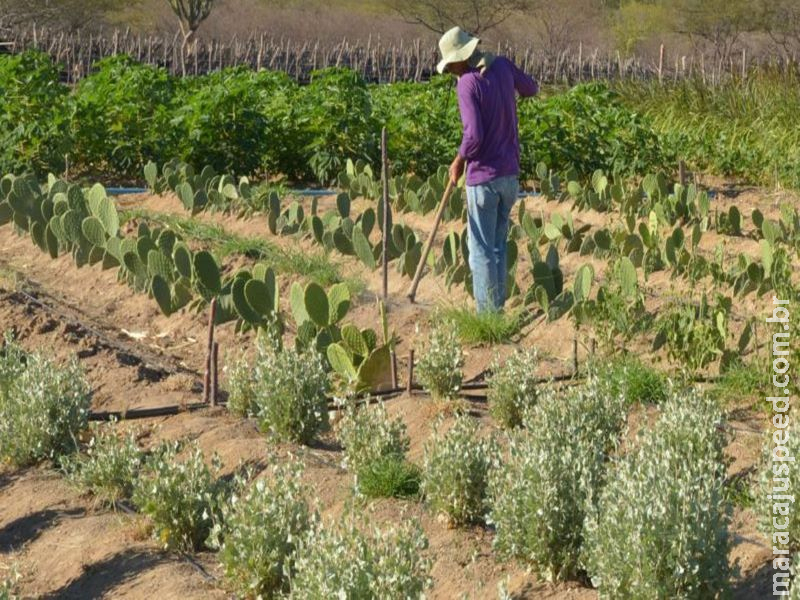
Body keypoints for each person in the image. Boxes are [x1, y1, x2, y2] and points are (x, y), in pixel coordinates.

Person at [437, 26, 538, 313]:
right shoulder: (503, 66)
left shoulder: (467, 83)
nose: (450, 71)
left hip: (483, 178)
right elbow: (531, 88)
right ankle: (498, 311)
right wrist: (504, 90)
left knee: (480, 251)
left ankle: (487, 317)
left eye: (451, 65)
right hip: (509, 177)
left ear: (460, 59)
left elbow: (474, 135)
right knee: (498, 247)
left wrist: (458, 161)